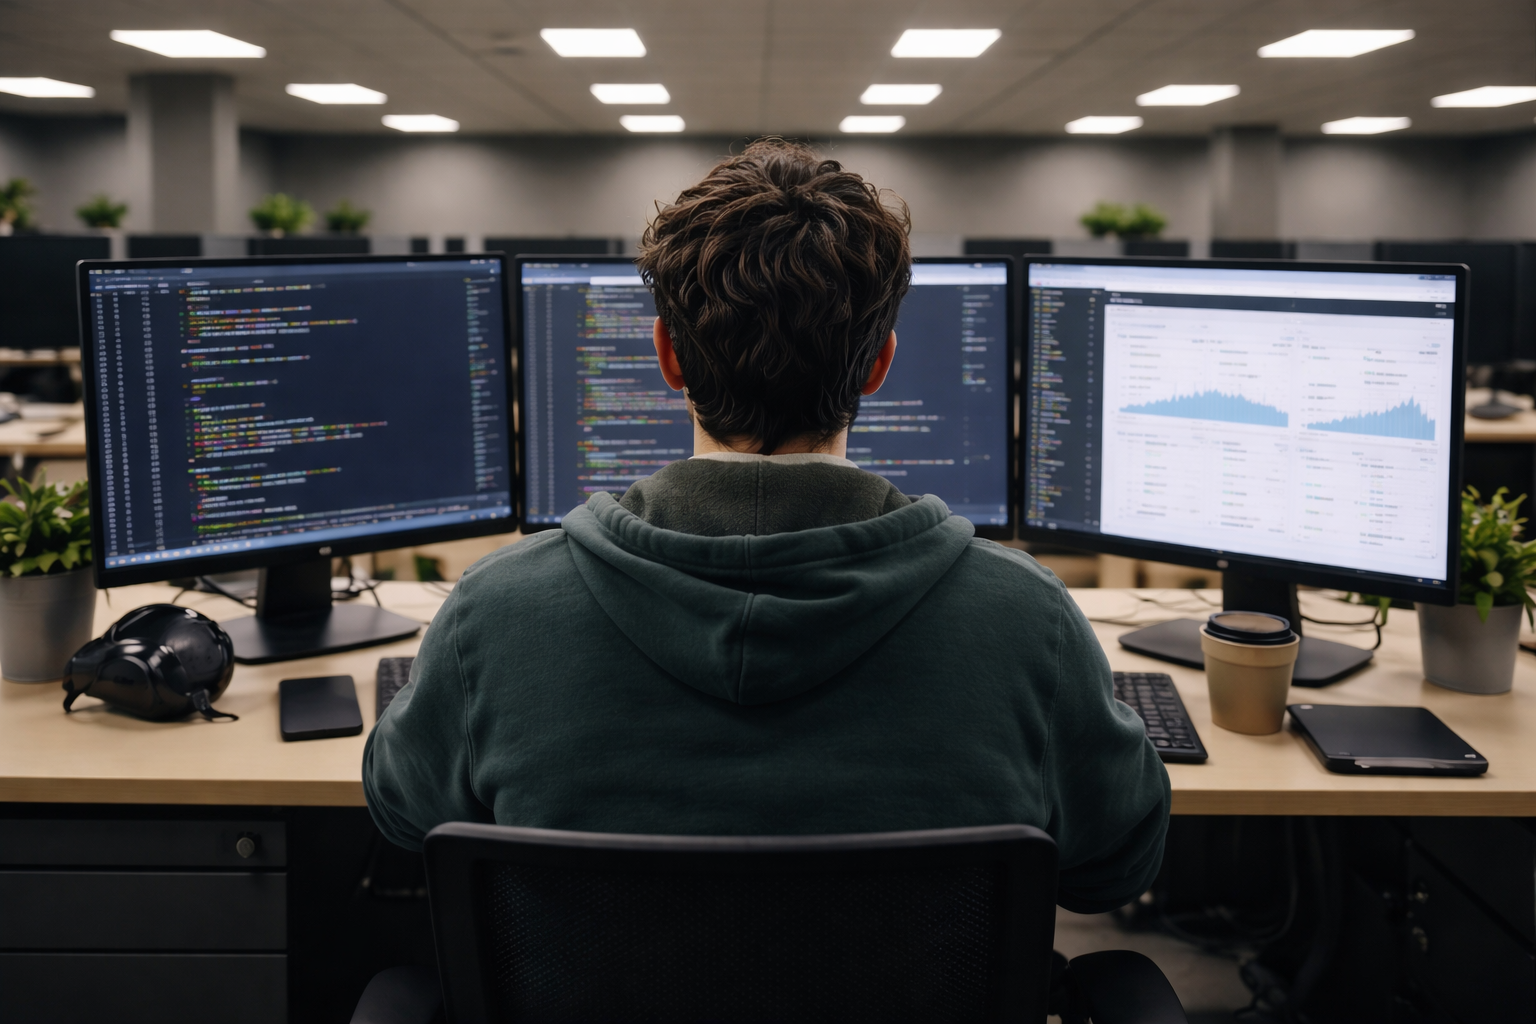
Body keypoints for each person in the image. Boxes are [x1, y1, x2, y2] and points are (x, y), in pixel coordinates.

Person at [363, 138, 1169, 912]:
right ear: (881, 363)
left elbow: (405, 816)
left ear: (668, 358)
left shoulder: (495, 611)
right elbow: (1112, 866)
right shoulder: (1026, 619)